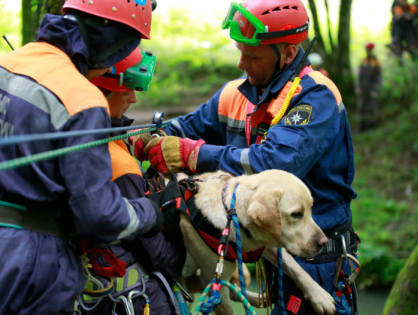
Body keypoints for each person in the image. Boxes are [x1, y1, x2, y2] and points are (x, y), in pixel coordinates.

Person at [131, 0, 360, 314]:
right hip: (265, 244)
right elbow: (187, 128)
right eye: (240, 51)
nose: (241, 63)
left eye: (251, 55)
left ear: (289, 54)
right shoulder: (234, 94)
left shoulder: (315, 96)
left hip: (315, 255)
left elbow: (273, 164)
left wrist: (193, 155)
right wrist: (151, 137)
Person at [0, 1, 163, 314]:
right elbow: (100, 216)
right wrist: (151, 212)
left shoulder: (10, 63)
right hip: (30, 264)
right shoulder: (81, 98)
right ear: (114, 40)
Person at [78, 47, 185, 315]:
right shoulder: (117, 163)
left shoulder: (85, 138)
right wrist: (182, 266)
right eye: (129, 88)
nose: (135, 99)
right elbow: (152, 247)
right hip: (129, 294)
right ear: (101, 91)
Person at [356, 43, 382, 132]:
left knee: (372, 108)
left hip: (372, 89)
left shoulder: (376, 62)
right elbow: (359, 76)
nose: (368, 51)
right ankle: (362, 127)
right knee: (361, 108)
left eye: (369, 49)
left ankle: (372, 127)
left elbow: (378, 78)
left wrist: (375, 90)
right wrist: (358, 87)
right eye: (367, 49)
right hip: (363, 89)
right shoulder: (363, 61)